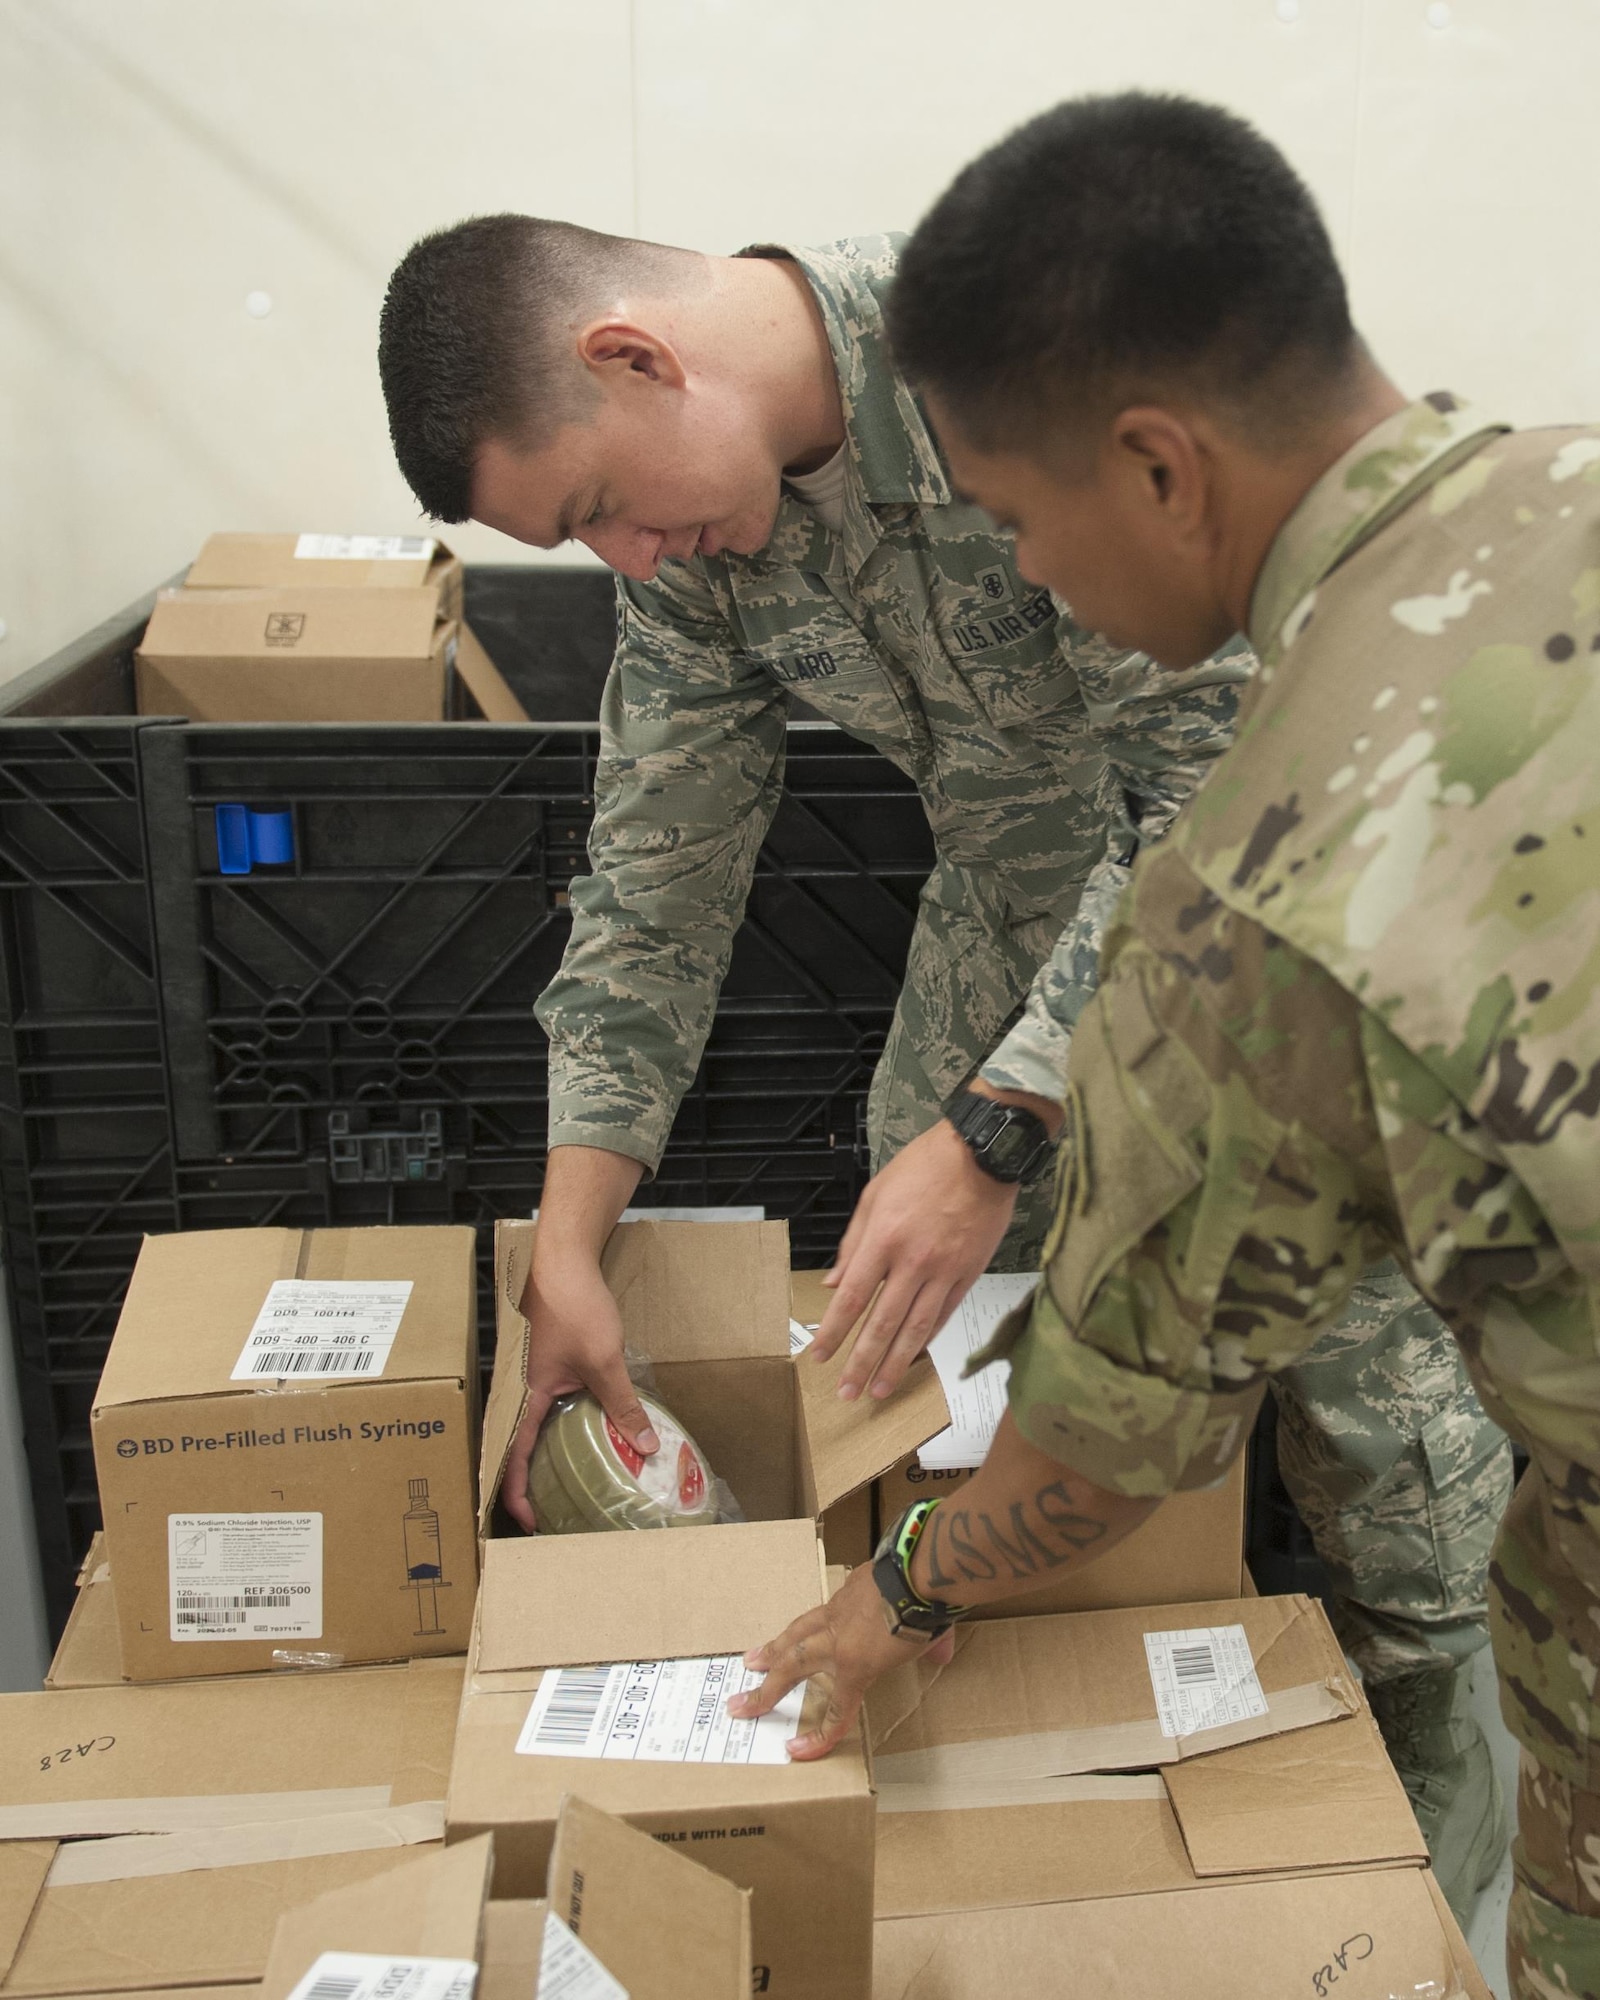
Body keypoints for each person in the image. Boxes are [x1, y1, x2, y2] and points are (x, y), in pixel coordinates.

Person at [376, 204, 1509, 1911]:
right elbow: (654, 892)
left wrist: (996, 1126)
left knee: (1395, 1494)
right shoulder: (706, 550)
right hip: (1018, 948)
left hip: (1297, 958)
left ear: (633, 357)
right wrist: (565, 1237)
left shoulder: (1050, 364)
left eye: (599, 507)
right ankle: (1015, 1859)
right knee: (936, 1404)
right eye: (580, 541)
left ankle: (1416, 1908)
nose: (632, 562)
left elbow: (1234, 804)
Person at [729, 92, 1600, 1993]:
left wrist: (898, 1590)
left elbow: (1101, 1457)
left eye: (1019, 520)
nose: (1027, 578)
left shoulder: (1248, 885)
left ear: (1158, 468)